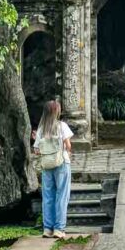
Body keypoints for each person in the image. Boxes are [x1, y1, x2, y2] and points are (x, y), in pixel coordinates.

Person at [32, 99, 73, 239]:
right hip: (62, 162)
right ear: (57, 112)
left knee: (48, 196)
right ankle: (59, 229)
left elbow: (36, 151)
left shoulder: (41, 129)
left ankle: (47, 229)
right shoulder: (62, 126)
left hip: (46, 165)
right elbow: (68, 146)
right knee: (62, 195)